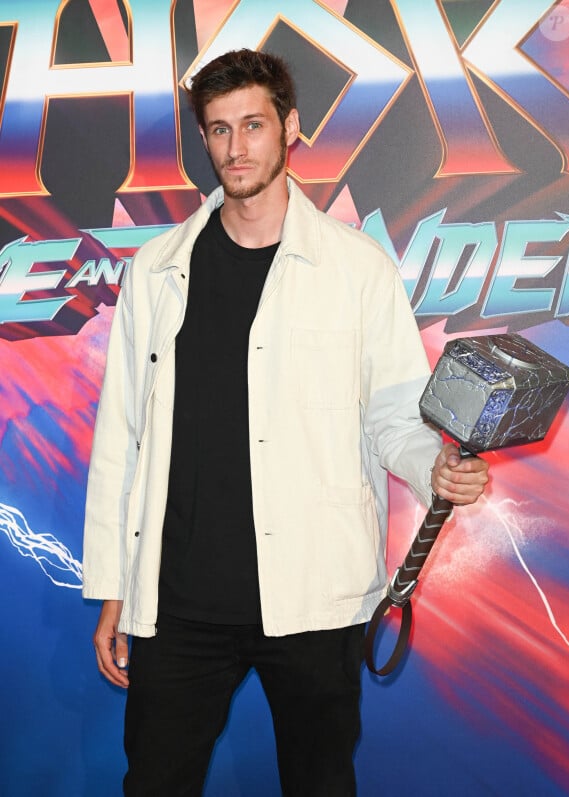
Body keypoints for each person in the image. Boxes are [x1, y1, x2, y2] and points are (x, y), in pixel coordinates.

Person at [82, 48, 489, 796]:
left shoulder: (357, 268)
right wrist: (112, 581)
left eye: (253, 125)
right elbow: (123, 437)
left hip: (315, 596)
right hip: (178, 602)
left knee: (320, 783)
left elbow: (397, 410)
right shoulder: (156, 270)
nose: (236, 148)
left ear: (289, 127)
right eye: (218, 130)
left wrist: (432, 461)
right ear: (202, 139)